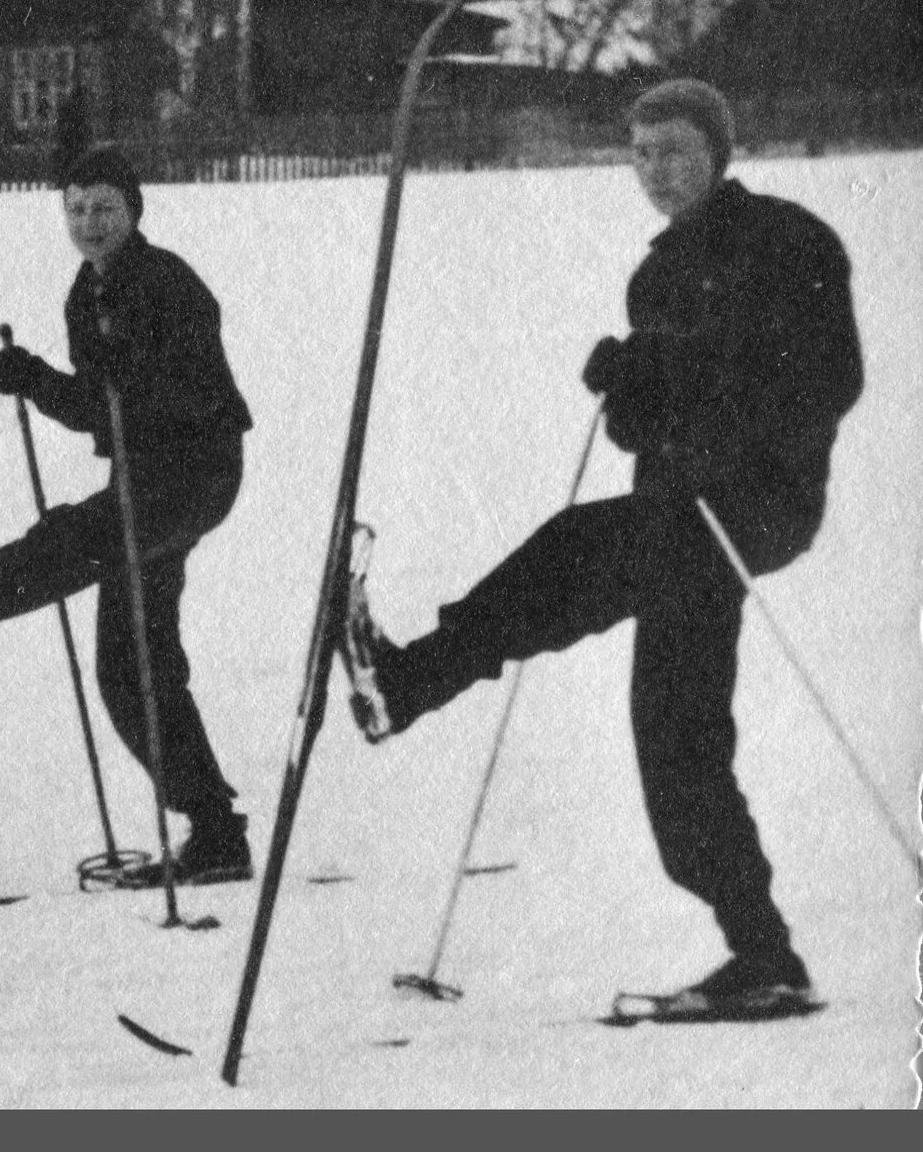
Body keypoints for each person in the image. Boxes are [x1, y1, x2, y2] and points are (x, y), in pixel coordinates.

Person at [340, 79, 861, 1020]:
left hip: (758, 501)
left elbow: (825, 379)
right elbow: (647, 423)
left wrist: (685, 391)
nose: (656, 171)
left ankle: (408, 681)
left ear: (719, 150)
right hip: (673, 510)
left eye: (674, 149)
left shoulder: (788, 241)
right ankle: (766, 954)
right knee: (674, 735)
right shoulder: (656, 274)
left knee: (576, 549)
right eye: (641, 153)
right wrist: (627, 391)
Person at [0, 145, 257, 886]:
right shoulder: (85, 294)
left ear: (134, 210)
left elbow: (182, 389)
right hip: (146, 477)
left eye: (104, 207)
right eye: (76, 209)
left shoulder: (170, 284)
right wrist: (41, 381)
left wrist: (99, 381)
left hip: (198, 470)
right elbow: (95, 407)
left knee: (70, 543)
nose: (89, 223)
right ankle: (216, 832)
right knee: (130, 663)